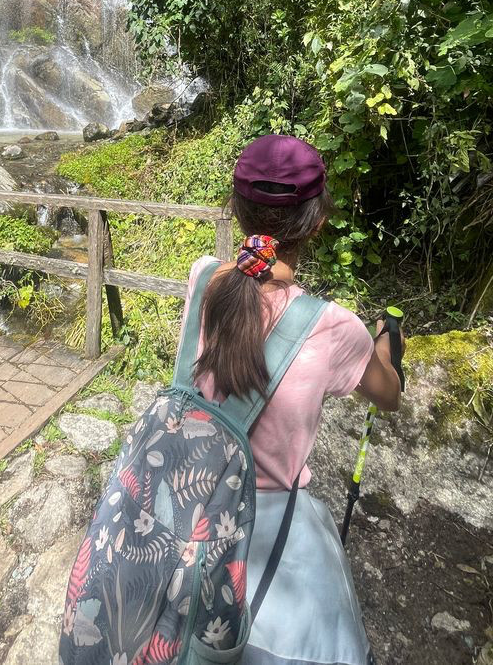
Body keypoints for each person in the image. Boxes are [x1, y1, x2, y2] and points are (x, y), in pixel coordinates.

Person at [181, 133, 403, 665]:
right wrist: (382, 344)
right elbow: (389, 396)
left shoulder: (203, 280)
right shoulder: (333, 328)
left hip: (189, 504)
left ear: (235, 211)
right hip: (269, 521)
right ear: (318, 220)